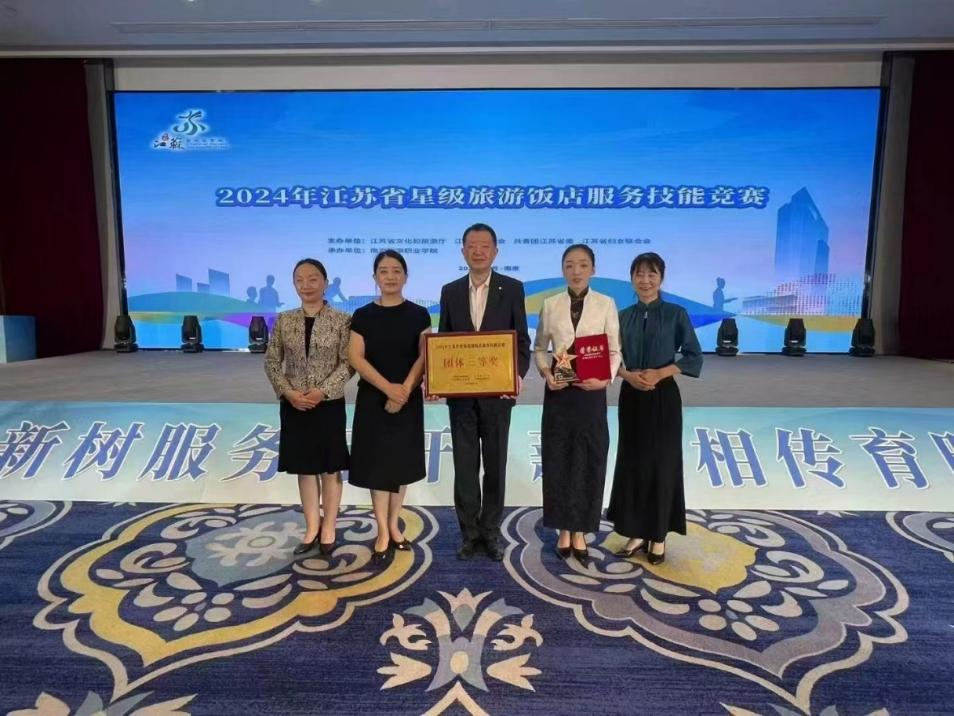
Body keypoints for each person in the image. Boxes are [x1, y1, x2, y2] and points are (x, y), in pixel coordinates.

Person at [438, 223, 531, 561]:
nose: (478, 251)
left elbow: (521, 341)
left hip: (497, 397)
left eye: (484, 245)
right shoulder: (450, 291)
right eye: (472, 245)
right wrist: (439, 379)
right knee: (464, 469)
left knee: (495, 467)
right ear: (463, 251)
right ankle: (469, 534)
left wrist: (516, 376)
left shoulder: (513, 288)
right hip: (461, 399)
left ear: (495, 251)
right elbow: (444, 342)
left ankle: (490, 533)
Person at [607, 252, 702, 565]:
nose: (645, 280)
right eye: (639, 274)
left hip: (663, 397)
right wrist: (627, 376)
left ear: (661, 278)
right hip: (632, 395)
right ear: (631, 278)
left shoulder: (676, 314)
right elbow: (611, 357)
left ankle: (658, 535)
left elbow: (693, 355)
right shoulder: (621, 316)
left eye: (652, 274)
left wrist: (661, 373)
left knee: (662, 463)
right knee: (633, 462)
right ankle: (636, 532)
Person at [533, 244, 621, 567]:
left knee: (588, 459)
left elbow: (615, 350)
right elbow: (539, 347)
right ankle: (563, 529)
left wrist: (606, 379)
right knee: (559, 458)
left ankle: (581, 530)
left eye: (583, 265)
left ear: (593, 269)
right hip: (559, 393)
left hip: (591, 393)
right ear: (563, 270)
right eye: (570, 265)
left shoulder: (606, 303)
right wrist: (546, 373)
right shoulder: (550, 304)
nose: (576, 271)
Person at [264, 258, 353, 556]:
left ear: (325, 282)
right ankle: (312, 527)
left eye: (313, 279)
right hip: (295, 405)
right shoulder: (284, 320)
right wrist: (288, 392)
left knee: (329, 468)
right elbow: (272, 361)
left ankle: (329, 528)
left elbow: (348, 363)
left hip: (328, 404)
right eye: (300, 280)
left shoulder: (342, 320)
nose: (306, 285)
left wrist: (322, 391)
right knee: (304, 468)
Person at [348, 251, 432, 565]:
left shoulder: (419, 315)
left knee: (401, 465)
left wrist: (404, 391)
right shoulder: (362, 315)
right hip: (373, 400)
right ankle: (382, 530)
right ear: (375, 277)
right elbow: (356, 358)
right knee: (377, 467)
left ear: (405, 276)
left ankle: (394, 523)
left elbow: (424, 357)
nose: (390, 276)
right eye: (383, 271)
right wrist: (389, 389)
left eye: (396, 270)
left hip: (407, 399)